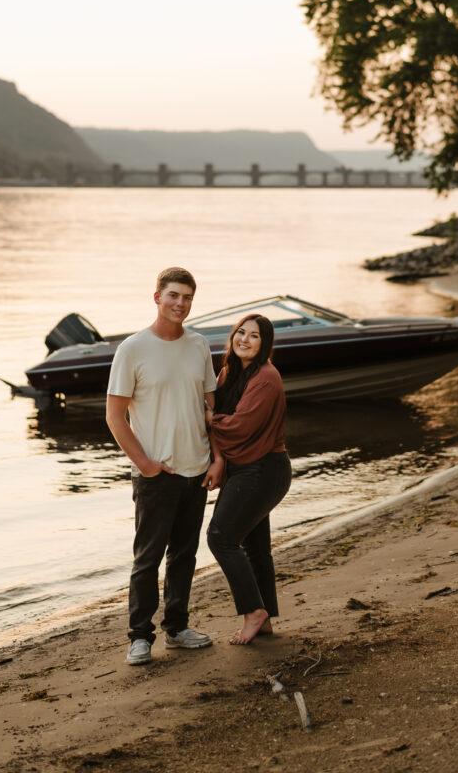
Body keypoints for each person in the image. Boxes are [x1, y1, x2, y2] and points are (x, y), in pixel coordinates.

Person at [106, 266, 224, 666]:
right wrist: (146, 465)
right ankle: (140, 637)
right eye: (173, 295)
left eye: (187, 297)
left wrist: (217, 459)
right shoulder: (133, 349)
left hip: (196, 471)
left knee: (185, 556)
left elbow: (213, 411)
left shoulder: (199, 346)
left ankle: (176, 629)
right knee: (148, 559)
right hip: (157, 475)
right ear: (157, 297)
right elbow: (114, 417)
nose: (180, 304)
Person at [206, 313, 291, 645]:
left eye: (254, 336)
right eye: (240, 332)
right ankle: (265, 617)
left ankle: (253, 611)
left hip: (265, 470)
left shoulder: (266, 378)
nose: (244, 339)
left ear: (265, 343)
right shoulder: (230, 372)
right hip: (246, 468)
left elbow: (240, 427)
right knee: (255, 547)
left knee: (220, 538)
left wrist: (208, 417)